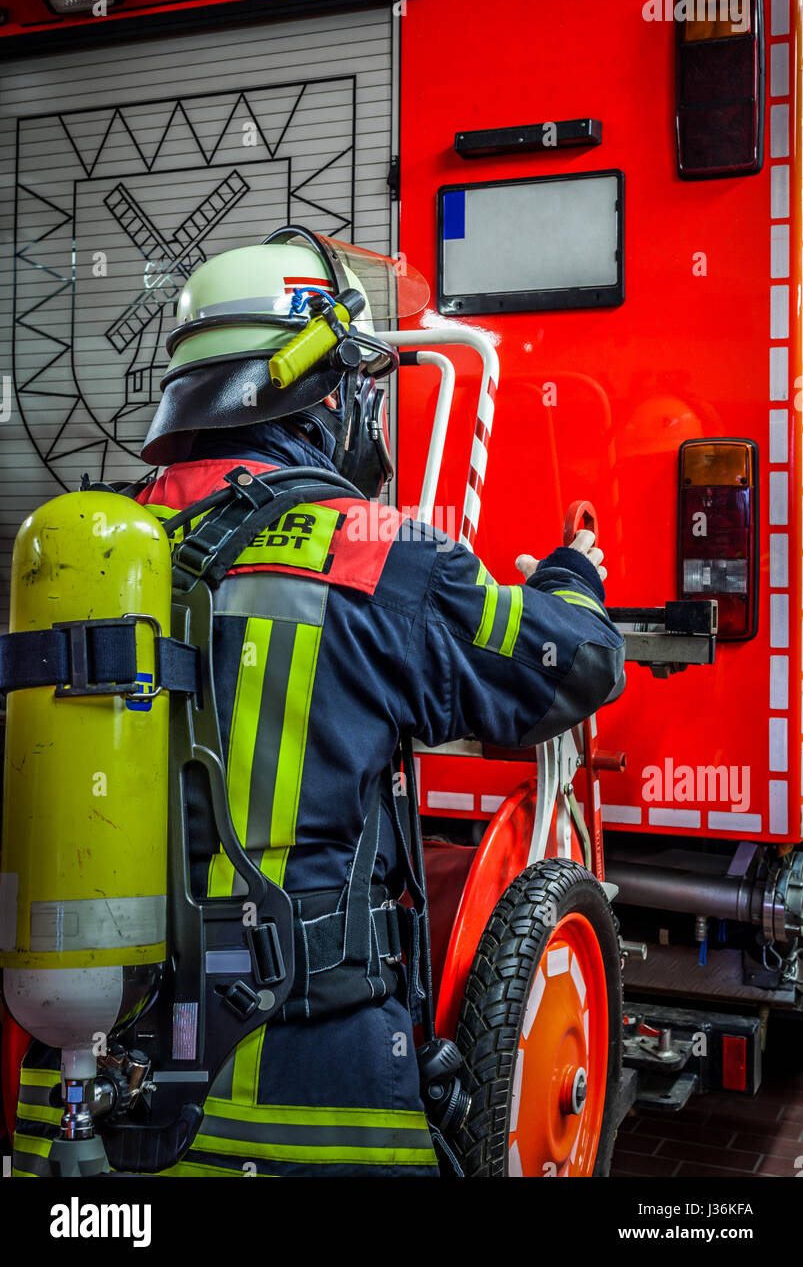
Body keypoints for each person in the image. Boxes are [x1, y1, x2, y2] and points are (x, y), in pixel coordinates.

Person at [12, 231, 624, 1178]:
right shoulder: (373, 551)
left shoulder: (98, 551)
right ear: (325, 390)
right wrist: (573, 576)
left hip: (81, 1101)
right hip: (306, 1103)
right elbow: (572, 663)